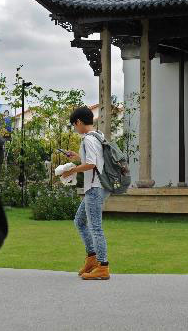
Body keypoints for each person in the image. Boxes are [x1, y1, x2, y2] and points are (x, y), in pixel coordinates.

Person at [61, 106, 111, 280]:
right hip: (98, 186)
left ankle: (103, 266)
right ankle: (92, 259)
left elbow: (92, 164)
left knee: (95, 227)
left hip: (95, 187)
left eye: (74, 125)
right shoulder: (98, 136)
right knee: (80, 221)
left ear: (79, 122)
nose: (75, 129)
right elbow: (95, 160)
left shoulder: (88, 139)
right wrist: (77, 157)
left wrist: (72, 170)